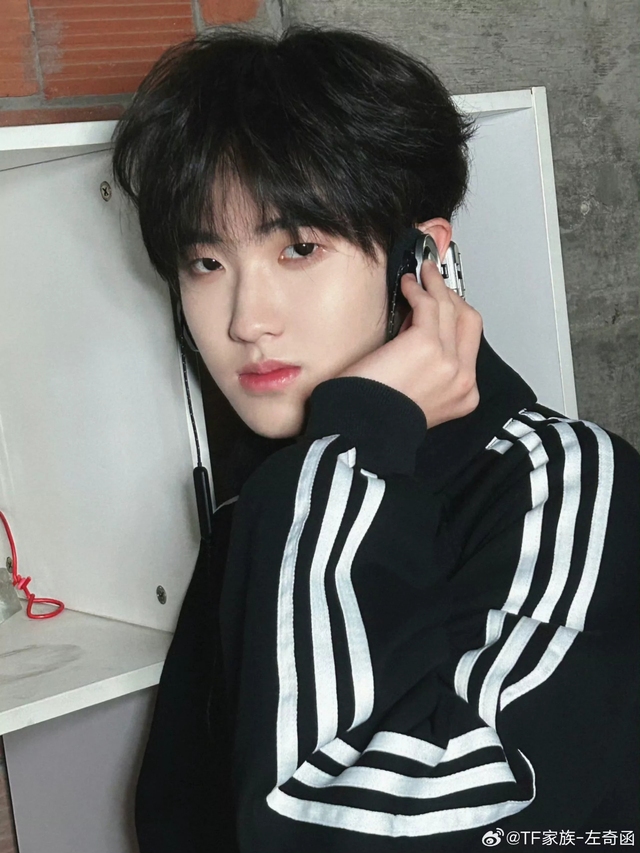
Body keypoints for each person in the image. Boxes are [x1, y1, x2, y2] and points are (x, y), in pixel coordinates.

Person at [112, 26, 639, 852]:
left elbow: (376, 826)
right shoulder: (265, 510)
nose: (246, 320)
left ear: (421, 260)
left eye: (299, 248)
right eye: (206, 263)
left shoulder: (566, 483)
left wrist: (353, 442)